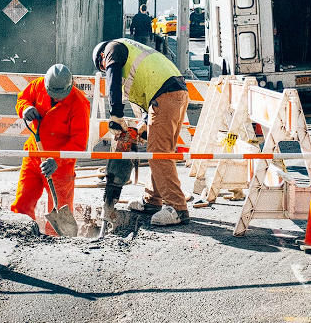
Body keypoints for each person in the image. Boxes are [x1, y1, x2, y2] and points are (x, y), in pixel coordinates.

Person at [92, 38, 190, 226]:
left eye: (103, 67)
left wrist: (116, 115)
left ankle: (177, 208)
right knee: (159, 150)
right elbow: (149, 84)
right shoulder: (133, 51)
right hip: (174, 92)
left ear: (102, 57)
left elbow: (112, 79)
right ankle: (152, 200)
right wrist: (145, 123)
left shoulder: (112, 48)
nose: (106, 69)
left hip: (166, 94)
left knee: (159, 153)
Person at [10, 64, 91, 235]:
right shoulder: (38, 85)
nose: (56, 97)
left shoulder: (79, 104)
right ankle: (19, 234)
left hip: (60, 166)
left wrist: (57, 160)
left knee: (59, 205)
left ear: (69, 86)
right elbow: (22, 99)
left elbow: (78, 143)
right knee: (23, 201)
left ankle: (56, 243)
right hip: (34, 155)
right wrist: (25, 109)